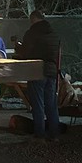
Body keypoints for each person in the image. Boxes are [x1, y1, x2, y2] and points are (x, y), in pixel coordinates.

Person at [15, 10, 61, 141]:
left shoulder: (32, 33)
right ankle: (54, 134)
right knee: (51, 104)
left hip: (36, 71)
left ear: (33, 19)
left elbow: (26, 52)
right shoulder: (53, 33)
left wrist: (18, 48)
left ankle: (40, 134)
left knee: (38, 104)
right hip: (52, 71)